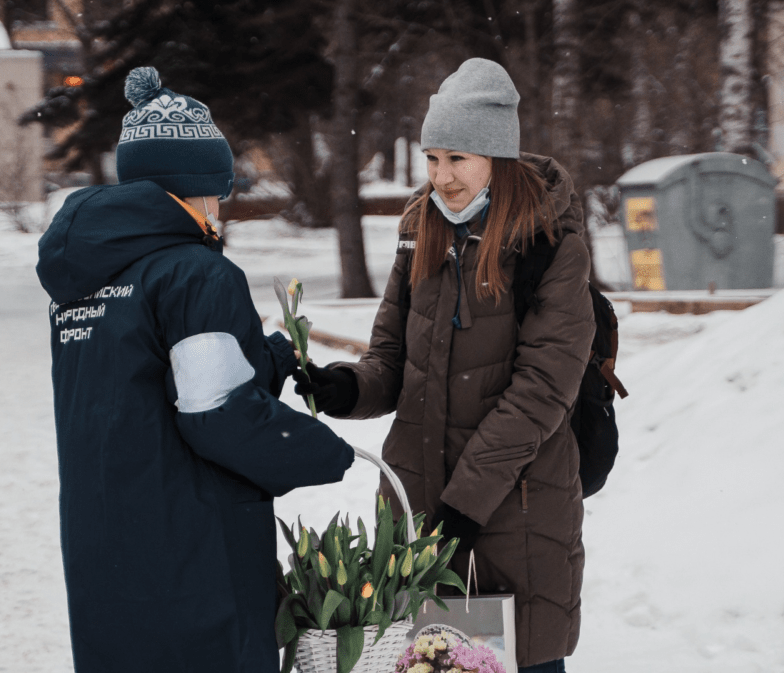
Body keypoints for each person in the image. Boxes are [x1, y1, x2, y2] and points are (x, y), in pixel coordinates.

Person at [37, 66, 355, 673]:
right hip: (192, 548)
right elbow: (217, 414)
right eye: (220, 190)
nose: (223, 207)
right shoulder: (197, 273)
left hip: (103, 541)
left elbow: (148, 384)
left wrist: (265, 360)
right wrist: (322, 451)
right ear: (197, 188)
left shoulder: (84, 279)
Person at [296, 58, 595, 673]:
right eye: (432, 159)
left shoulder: (550, 242)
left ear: (497, 158)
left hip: (519, 507)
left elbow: (543, 389)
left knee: (521, 657)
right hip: (418, 502)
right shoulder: (421, 226)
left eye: (457, 159)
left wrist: (465, 504)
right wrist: (346, 388)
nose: (442, 178)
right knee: (422, 661)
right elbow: (392, 357)